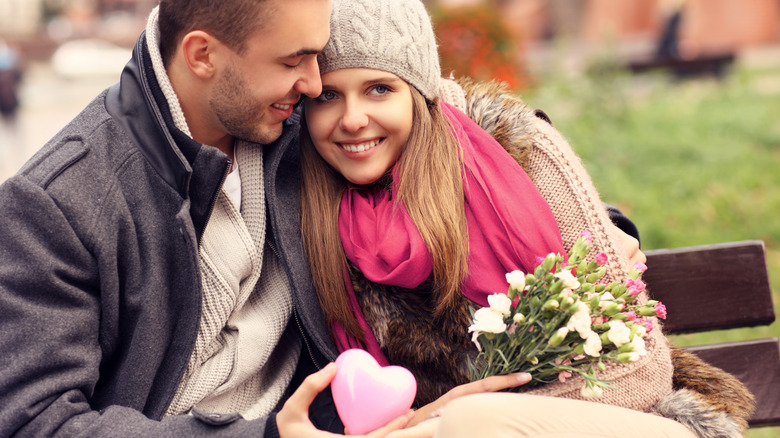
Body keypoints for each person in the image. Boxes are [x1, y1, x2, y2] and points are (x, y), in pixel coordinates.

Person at [0, 0, 531, 436]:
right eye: (293, 61)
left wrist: (606, 228)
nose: (312, 84)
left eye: (316, 56)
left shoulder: (291, 123)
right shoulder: (54, 204)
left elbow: (432, 126)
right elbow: (33, 423)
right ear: (202, 55)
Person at [298, 0, 753, 436]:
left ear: (421, 93)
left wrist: (468, 415)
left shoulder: (523, 154)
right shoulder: (312, 213)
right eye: (328, 97)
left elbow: (636, 372)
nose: (353, 118)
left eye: (380, 89)